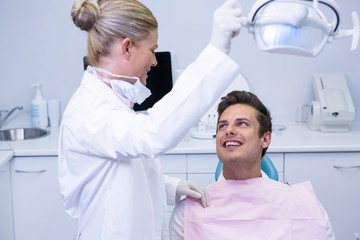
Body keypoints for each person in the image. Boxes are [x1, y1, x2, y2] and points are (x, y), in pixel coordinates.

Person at [58, 0, 244, 239]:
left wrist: (170, 187)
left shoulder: (110, 102)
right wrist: (216, 50)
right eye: (152, 50)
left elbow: (117, 177)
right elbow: (153, 133)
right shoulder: (90, 111)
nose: (155, 61)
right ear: (127, 48)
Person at [169, 90, 336, 240]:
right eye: (223, 125)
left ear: (265, 139)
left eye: (242, 123)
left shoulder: (304, 205)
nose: (229, 130)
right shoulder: (186, 214)